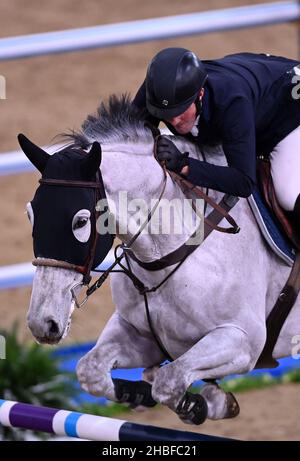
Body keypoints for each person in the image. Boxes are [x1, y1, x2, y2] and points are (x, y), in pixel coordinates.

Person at [133, 47, 300, 225]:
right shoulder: (157, 95)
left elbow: (244, 182)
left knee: (288, 194)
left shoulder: (231, 103)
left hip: (290, 111)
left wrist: (185, 165)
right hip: (257, 78)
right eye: (165, 113)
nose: (174, 121)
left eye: (181, 110)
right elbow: (127, 134)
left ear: (200, 95)